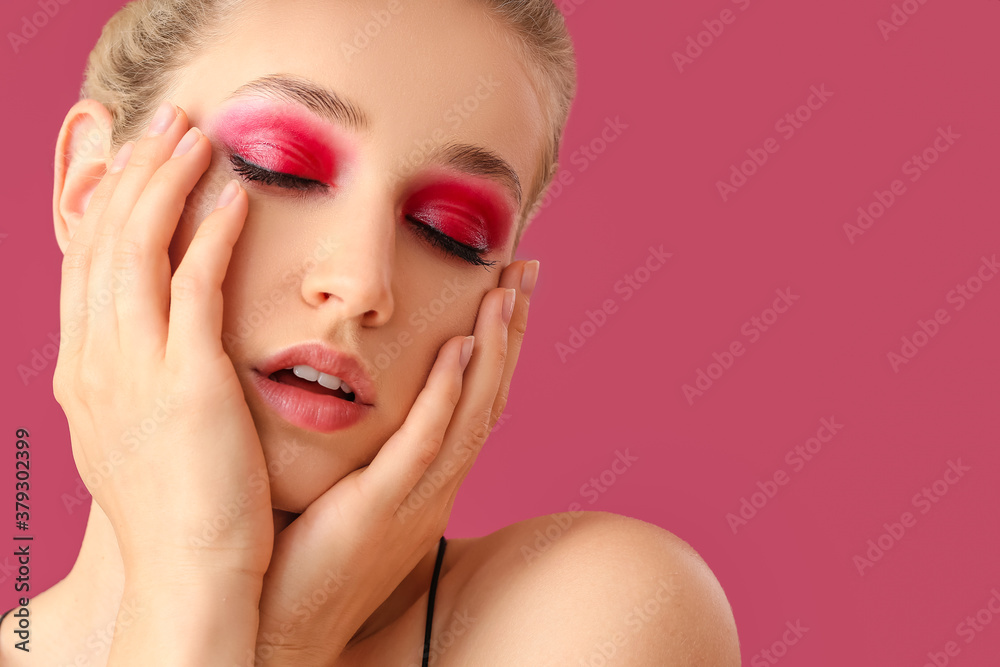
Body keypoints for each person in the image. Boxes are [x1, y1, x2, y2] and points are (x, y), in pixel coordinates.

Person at [0, 0, 740, 664]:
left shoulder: (603, 614)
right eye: (279, 168)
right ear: (94, 190)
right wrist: (199, 589)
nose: (363, 285)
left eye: (449, 231)